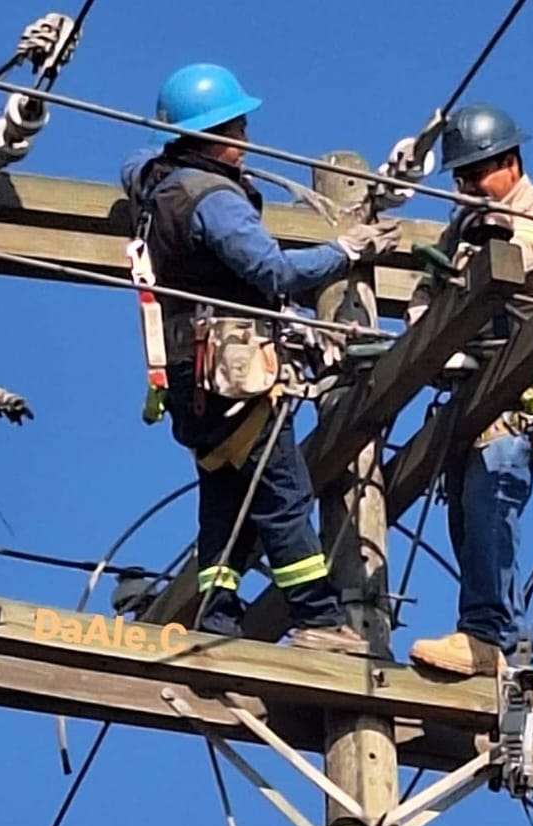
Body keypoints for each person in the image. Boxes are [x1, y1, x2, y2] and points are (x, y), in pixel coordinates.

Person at [121, 63, 400, 654]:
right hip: (234, 374)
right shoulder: (213, 199)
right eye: (238, 128)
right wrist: (345, 252)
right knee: (283, 497)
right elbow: (274, 271)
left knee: (224, 503)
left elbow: (136, 165)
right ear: (213, 134)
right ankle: (321, 620)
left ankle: (216, 616)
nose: (247, 140)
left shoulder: (157, 187)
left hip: (189, 380)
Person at [407, 104, 533, 676]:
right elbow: (425, 293)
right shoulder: (463, 223)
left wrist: (489, 249)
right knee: (467, 518)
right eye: (461, 178)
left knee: (492, 503)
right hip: (474, 394)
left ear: (510, 162)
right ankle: (498, 643)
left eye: (476, 174)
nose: (467, 188)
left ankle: (487, 634)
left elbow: (524, 252)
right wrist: (428, 340)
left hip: (521, 390)